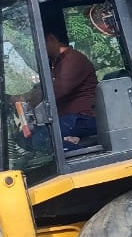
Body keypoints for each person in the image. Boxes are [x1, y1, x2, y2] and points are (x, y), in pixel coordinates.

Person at [42, 21, 99, 150]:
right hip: (71, 120)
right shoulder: (58, 63)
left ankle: (83, 160)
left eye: (40, 44)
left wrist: (32, 96)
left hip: (82, 118)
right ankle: (71, 142)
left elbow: (55, 91)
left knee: (44, 137)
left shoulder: (72, 59)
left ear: (51, 38)